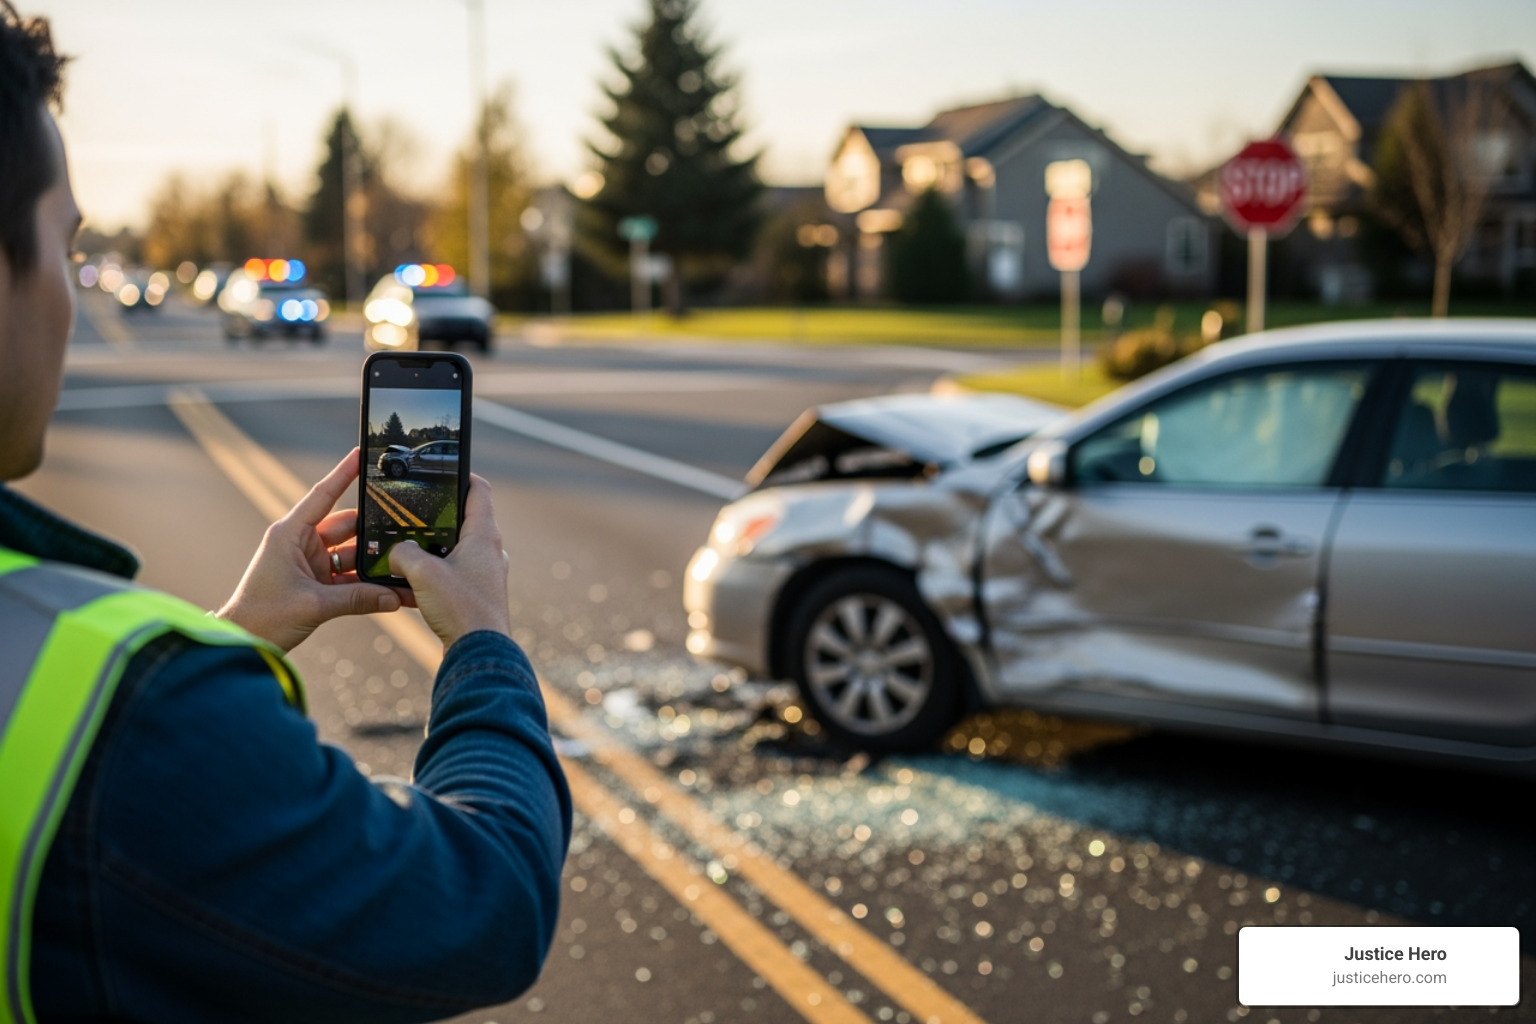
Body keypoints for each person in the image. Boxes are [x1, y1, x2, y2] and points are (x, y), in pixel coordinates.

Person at [0, 5, 571, 1021]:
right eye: (62, 243)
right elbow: (482, 906)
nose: (71, 299)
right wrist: (483, 641)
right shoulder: (127, 712)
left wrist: (238, 633)